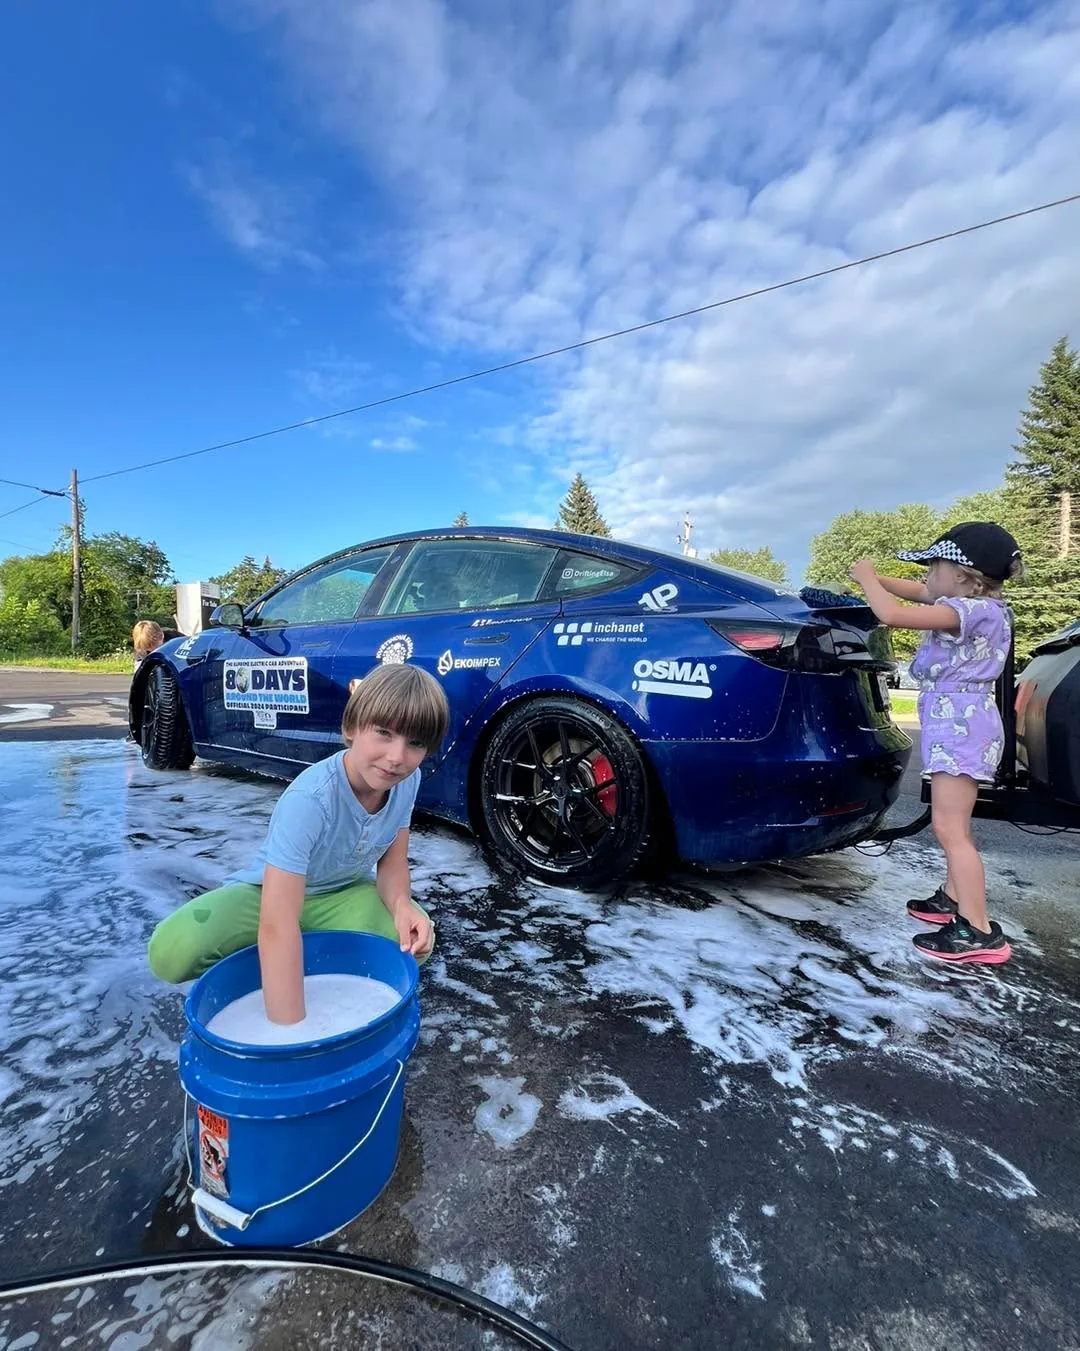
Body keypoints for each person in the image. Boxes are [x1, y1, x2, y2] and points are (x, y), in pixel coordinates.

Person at [147, 663, 450, 1022]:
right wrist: (289, 1031)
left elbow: (393, 861)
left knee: (414, 940)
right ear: (350, 728)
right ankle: (271, 959)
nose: (397, 757)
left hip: (342, 893)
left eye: (415, 743)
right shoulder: (311, 797)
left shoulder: (406, 780)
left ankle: (300, 954)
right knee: (171, 952)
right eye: (384, 732)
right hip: (268, 897)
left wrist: (401, 905)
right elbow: (277, 920)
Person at [849, 521, 1023, 966]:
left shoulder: (973, 612)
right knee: (955, 825)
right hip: (959, 724)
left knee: (950, 829)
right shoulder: (973, 603)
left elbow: (894, 614)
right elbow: (917, 593)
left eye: (934, 566)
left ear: (965, 576)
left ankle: (979, 931)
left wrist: (869, 579)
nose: (926, 576)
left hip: (962, 728)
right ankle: (952, 899)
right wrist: (867, 575)